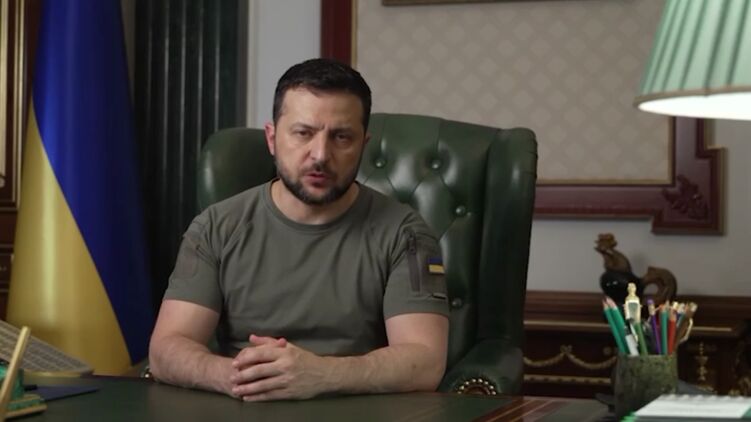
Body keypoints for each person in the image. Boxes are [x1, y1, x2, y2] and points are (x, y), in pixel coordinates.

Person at [148, 58, 449, 402]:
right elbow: (166, 349)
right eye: (303, 133)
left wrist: (322, 374)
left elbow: (425, 362)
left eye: (341, 137)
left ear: (363, 147)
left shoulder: (406, 234)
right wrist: (238, 376)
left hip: (355, 408)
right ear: (272, 138)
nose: (320, 155)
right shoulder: (215, 227)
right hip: (244, 405)